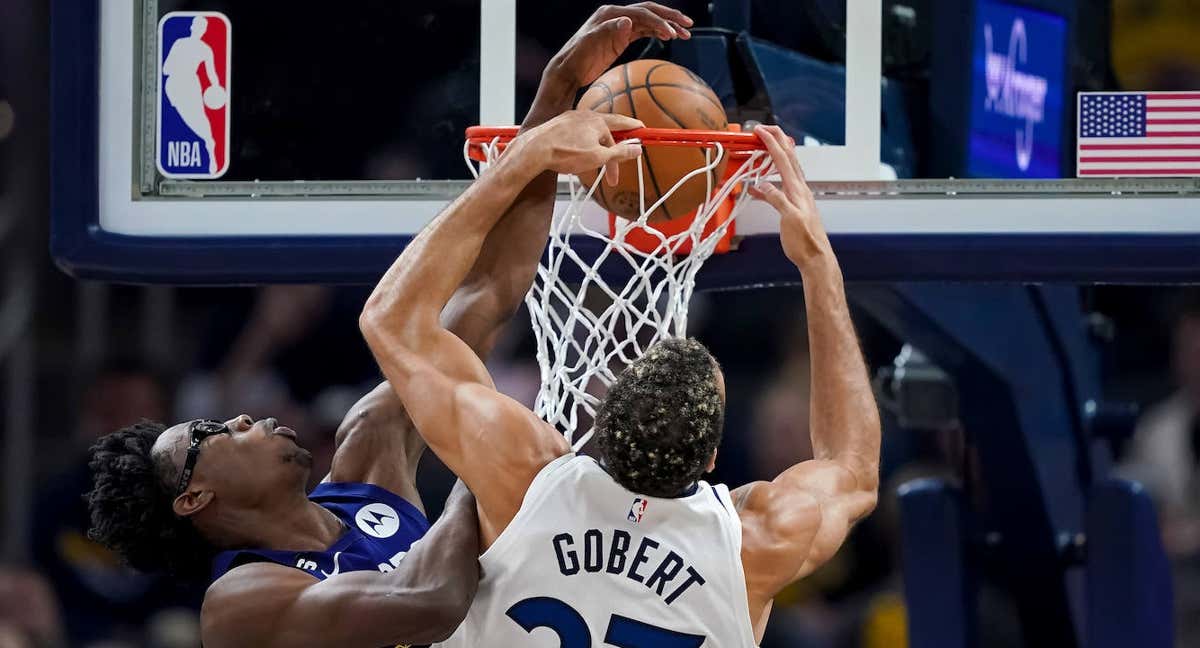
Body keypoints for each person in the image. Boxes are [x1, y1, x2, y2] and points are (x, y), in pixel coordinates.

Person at [86, 5, 693, 647]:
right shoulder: (239, 602)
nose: (238, 419)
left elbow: (487, 292)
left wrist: (555, 92)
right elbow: (428, 600)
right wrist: (492, 456)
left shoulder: (369, 452)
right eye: (207, 434)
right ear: (194, 498)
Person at [359, 113, 881, 645]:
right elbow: (853, 467)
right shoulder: (756, 542)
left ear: (601, 418)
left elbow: (391, 321)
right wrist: (818, 265)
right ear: (711, 460)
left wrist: (520, 161)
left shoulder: (522, 476)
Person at [162, 16, 223, 173]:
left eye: (201, 27)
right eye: (197, 26)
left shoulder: (205, 49)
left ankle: (210, 147)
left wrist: (216, 88)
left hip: (190, 85)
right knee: (183, 118)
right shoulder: (179, 43)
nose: (199, 29)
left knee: (199, 118)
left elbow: (212, 74)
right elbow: (165, 68)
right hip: (174, 85)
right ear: (192, 27)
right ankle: (209, 142)